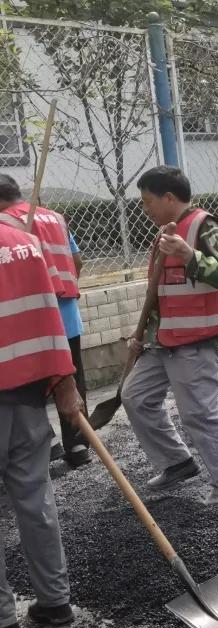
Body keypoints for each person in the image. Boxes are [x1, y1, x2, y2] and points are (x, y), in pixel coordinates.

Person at [122, 166, 218, 505]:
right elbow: (162, 293)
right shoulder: (165, 233)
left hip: (194, 341)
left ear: (169, 198)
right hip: (162, 341)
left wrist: (189, 255)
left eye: (147, 201)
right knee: (135, 396)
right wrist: (143, 333)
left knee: (200, 413)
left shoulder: (204, 226)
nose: (145, 209)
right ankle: (177, 462)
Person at [0, 219, 84, 628]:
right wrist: (65, 382)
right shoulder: (26, 244)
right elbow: (51, 319)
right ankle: (55, 601)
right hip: (27, 399)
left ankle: (3, 622)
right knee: (36, 499)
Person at [0, 176, 89, 469]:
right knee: (72, 379)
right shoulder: (55, 218)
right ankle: (78, 444)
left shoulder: (6, 225)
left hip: (32, 320)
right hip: (67, 315)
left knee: (33, 385)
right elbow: (77, 261)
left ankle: (47, 444)